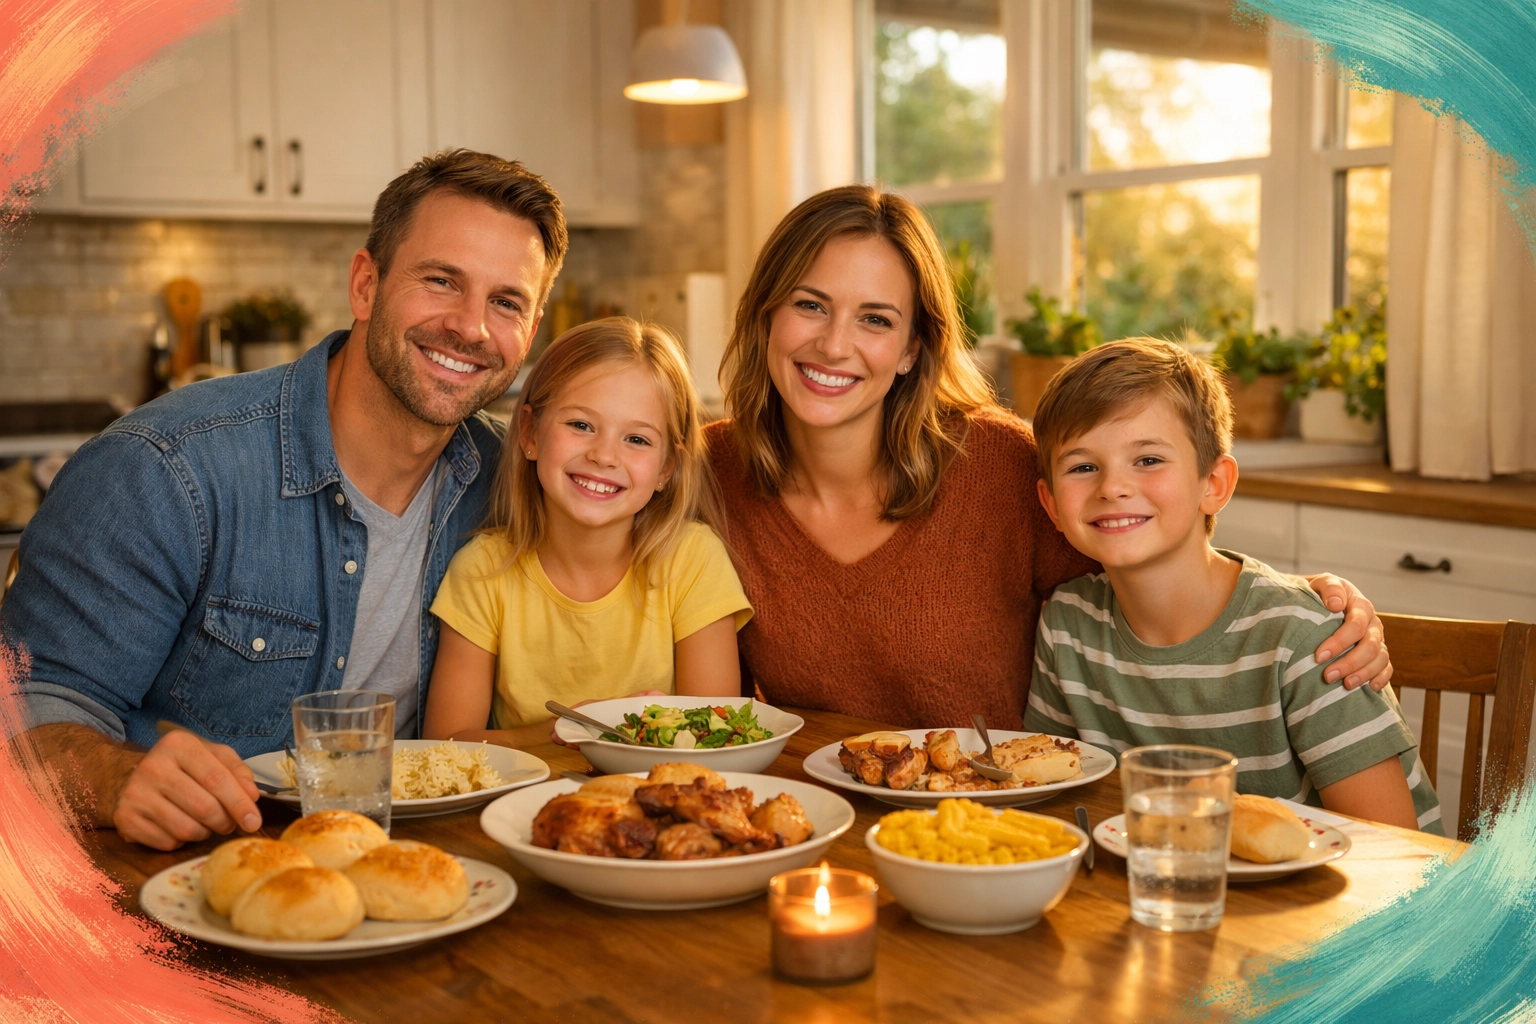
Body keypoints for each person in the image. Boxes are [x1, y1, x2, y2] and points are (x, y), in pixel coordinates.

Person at [0, 149, 566, 850]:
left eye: (505, 302)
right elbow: (26, 716)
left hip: (419, 874)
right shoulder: (166, 469)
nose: (471, 327)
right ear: (366, 285)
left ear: (530, 332)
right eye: (441, 280)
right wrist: (117, 778)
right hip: (181, 884)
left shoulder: (519, 484)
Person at [706, 184, 1396, 727]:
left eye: (876, 319)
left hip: (1000, 843)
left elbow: (1163, 566)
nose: (833, 345)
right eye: (810, 305)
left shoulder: (999, 465)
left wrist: (1312, 603)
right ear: (765, 313)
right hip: (815, 837)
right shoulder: (707, 474)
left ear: (914, 348)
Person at [1023, 338, 1440, 832]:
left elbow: (1395, 853)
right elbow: (1045, 798)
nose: (1112, 486)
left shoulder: (1305, 637)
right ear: (1051, 506)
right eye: (1083, 467)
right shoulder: (1067, 624)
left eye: (1149, 460)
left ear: (1214, 485)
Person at [421, 318, 752, 748]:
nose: (603, 455)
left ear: (666, 469)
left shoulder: (692, 560)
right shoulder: (482, 572)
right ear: (530, 433)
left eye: (636, 439)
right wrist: (564, 731)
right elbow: (445, 744)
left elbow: (715, 736)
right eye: (580, 425)